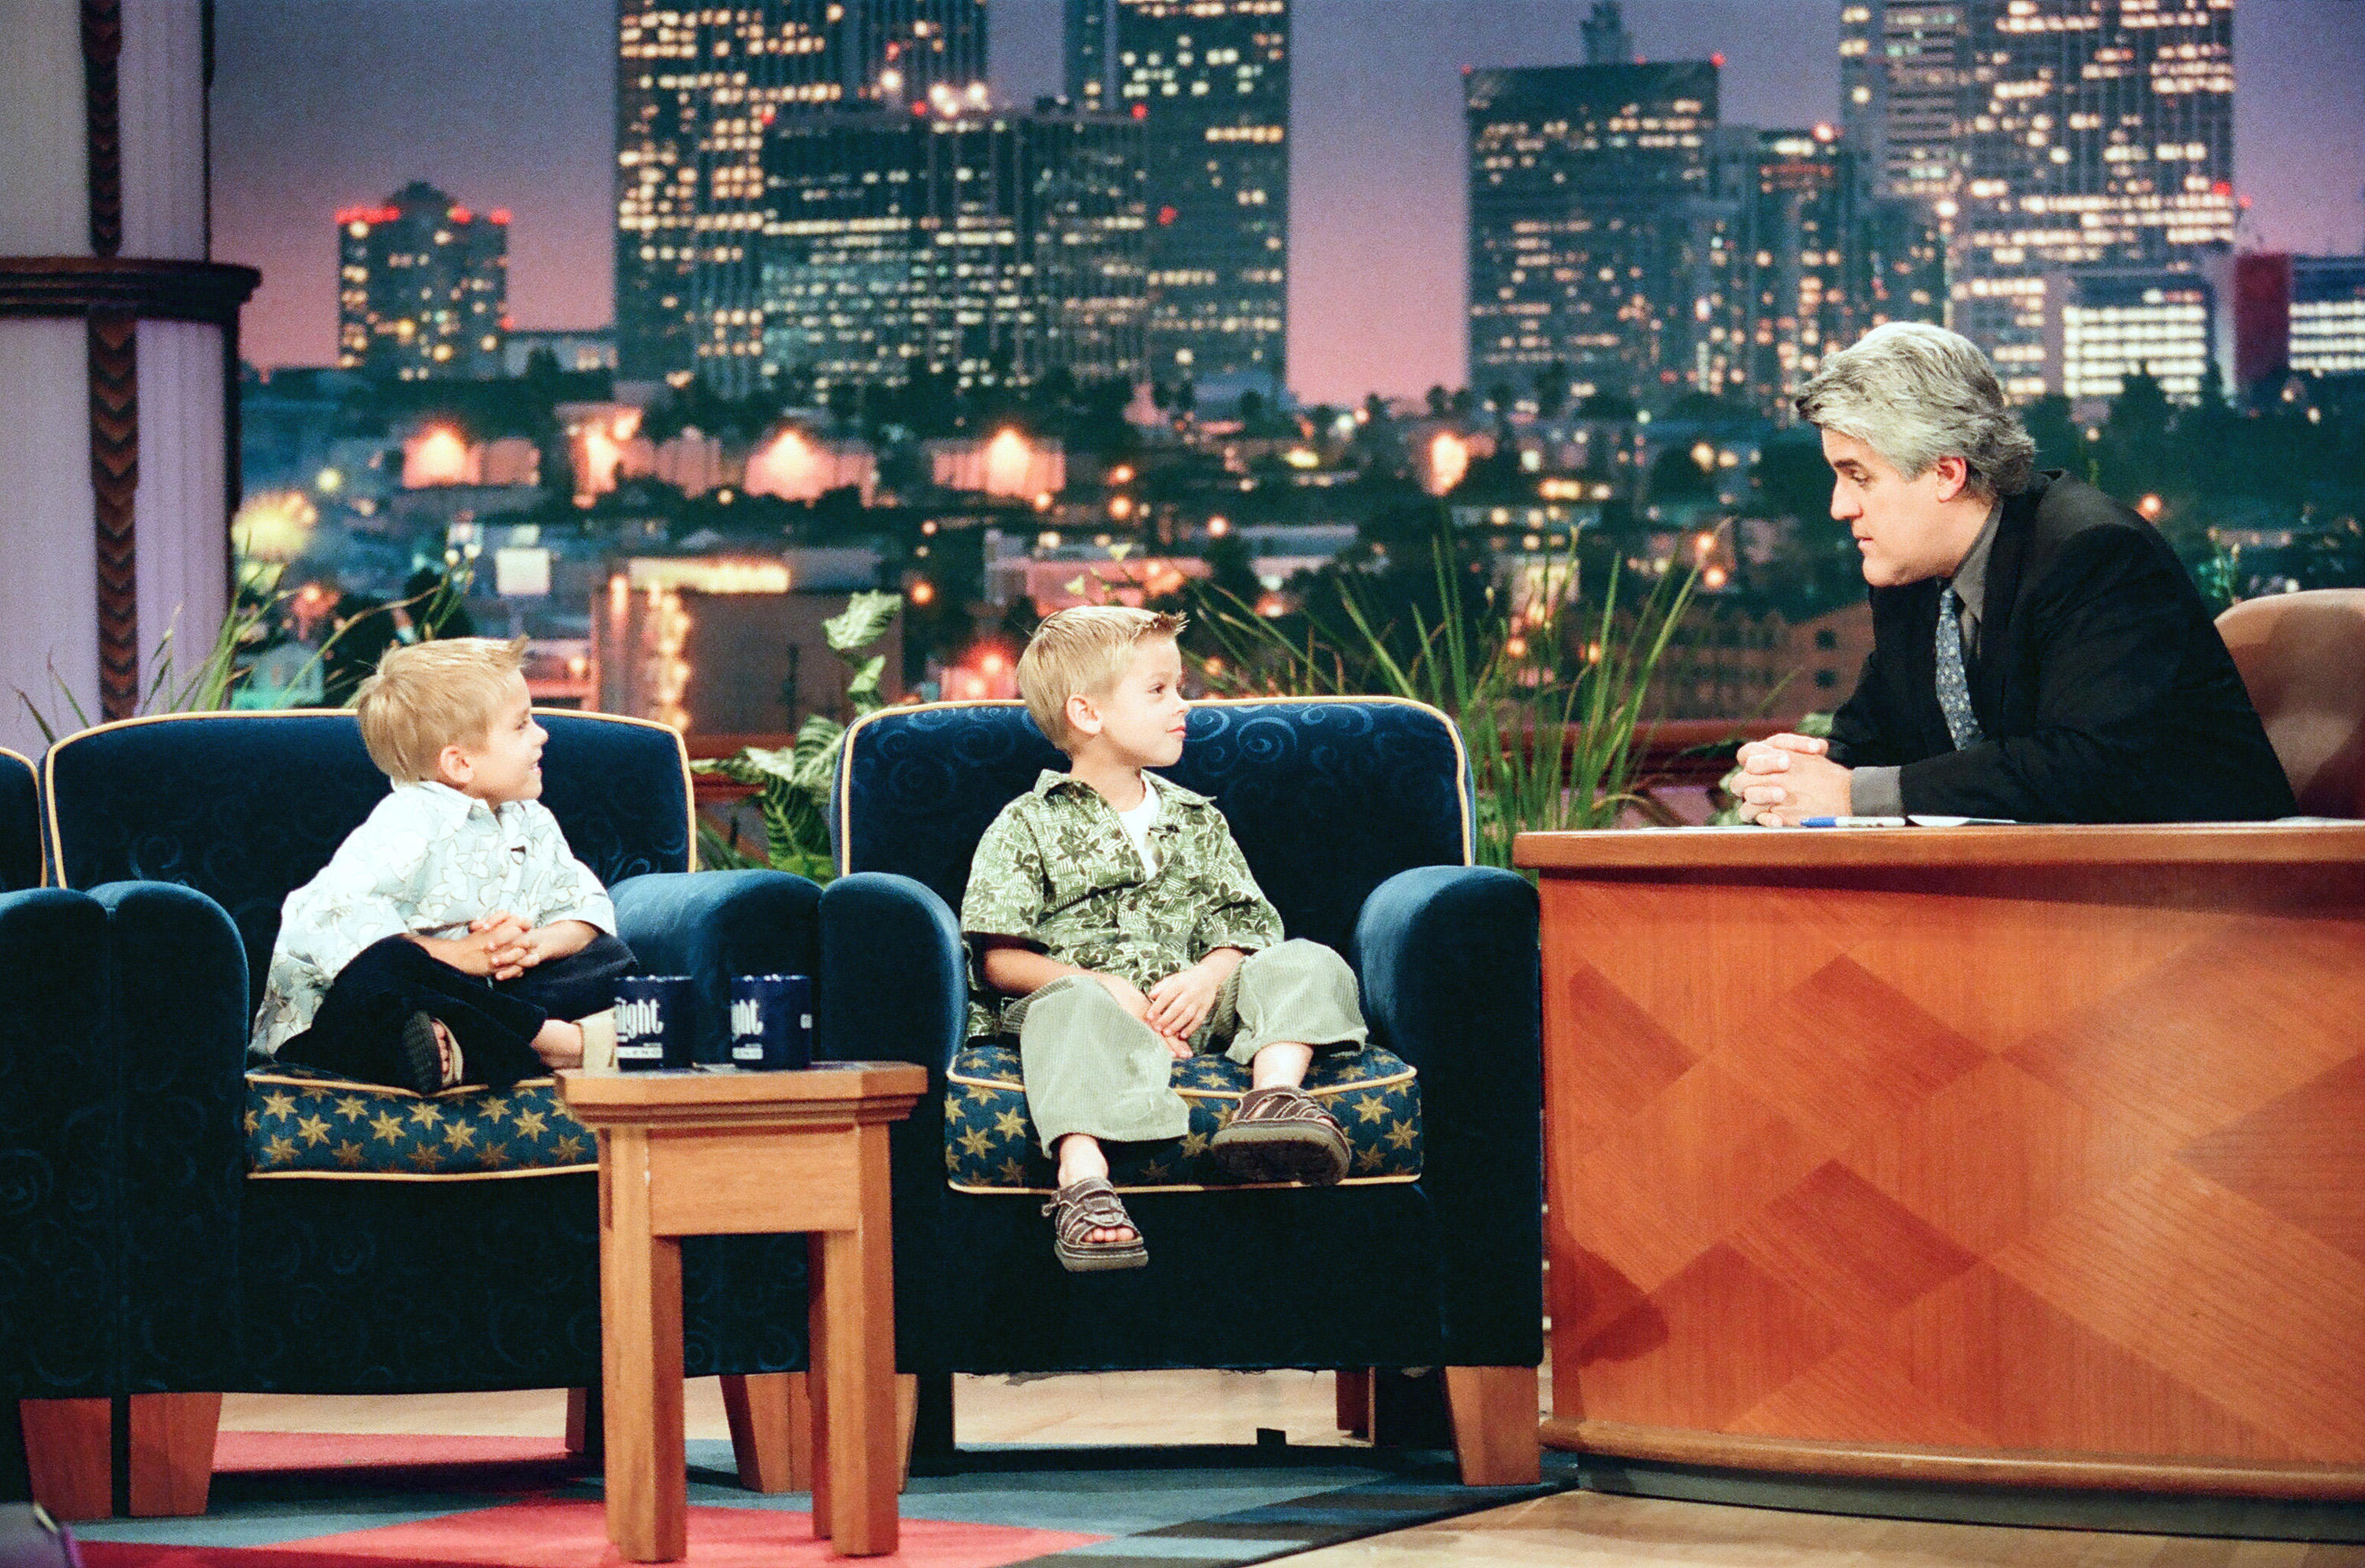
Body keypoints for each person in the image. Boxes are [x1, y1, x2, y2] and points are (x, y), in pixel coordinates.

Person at [1733, 322, 2293, 826]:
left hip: (2219, 893)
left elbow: (2082, 768)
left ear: (1946, 473)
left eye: (1859, 476)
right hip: (2053, 899)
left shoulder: (2095, 555)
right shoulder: (1910, 580)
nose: (1839, 506)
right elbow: (1876, 743)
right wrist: (1795, 776)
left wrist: (1853, 794)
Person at [962, 606, 1369, 1272]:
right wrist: (1108, 990)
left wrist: (1209, 977)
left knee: (1309, 960)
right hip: (1094, 1012)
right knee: (1066, 1008)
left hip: (1199, 1005)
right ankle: (1083, 1176)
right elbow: (1001, 958)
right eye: (1159, 691)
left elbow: (1247, 926)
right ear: (1088, 714)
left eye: (1179, 686)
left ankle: (1273, 1097)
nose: (1184, 706)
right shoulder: (1025, 824)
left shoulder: (1197, 818)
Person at [251, 637, 634, 1094]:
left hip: (481, 1000)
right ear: (459, 763)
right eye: (521, 725)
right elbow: (325, 921)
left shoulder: (533, 821)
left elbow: (584, 906)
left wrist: (536, 945)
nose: (541, 735)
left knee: (609, 957)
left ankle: (465, 1050)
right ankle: (556, 1044)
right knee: (387, 972)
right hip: (379, 1002)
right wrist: (459, 956)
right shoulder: (410, 819)